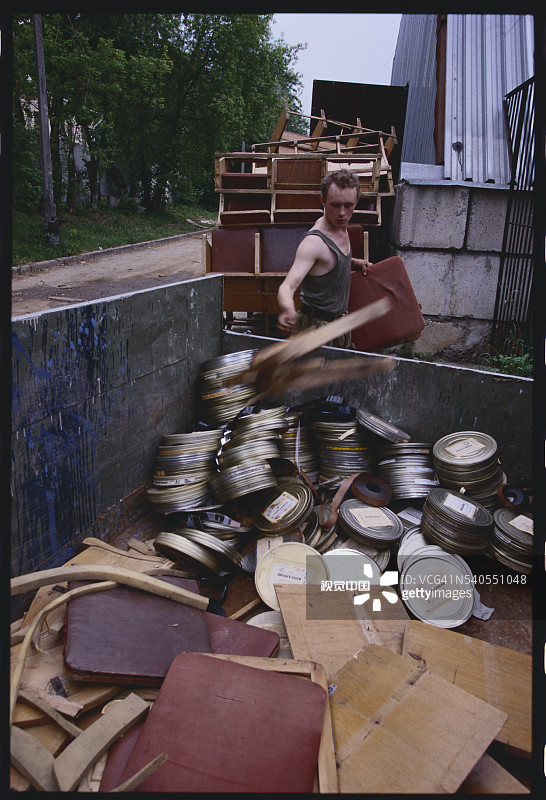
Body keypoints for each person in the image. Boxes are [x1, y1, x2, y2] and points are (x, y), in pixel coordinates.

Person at [276, 168, 372, 349]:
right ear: (322, 201)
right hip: (314, 330)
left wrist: (352, 262)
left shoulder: (340, 227)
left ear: (356, 202)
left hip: (339, 326)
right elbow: (287, 286)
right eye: (335, 205)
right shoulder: (314, 243)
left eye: (348, 205)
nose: (342, 213)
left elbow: (327, 260)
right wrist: (288, 310)